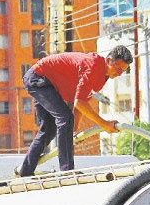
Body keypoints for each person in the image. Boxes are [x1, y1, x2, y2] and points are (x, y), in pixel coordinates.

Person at [18, 45, 133, 177]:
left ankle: (25, 172)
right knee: (65, 118)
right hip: (39, 79)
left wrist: (73, 130)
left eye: (122, 71)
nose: (119, 74)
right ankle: (67, 171)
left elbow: (79, 103)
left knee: (49, 129)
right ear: (109, 60)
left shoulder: (102, 78)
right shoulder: (94, 65)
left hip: (47, 84)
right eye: (118, 68)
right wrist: (105, 124)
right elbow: (80, 102)